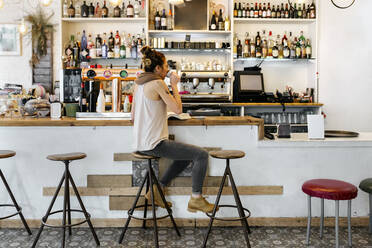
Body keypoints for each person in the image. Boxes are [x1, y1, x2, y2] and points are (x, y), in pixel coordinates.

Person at [131, 46, 217, 213]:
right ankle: (196, 199)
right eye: (165, 67)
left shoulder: (138, 83)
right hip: (154, 143)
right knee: (201, 155)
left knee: (185, 156)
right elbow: (178, 109)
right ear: (157, 68)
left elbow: (133, 116)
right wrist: (174, 85)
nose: (167, 70)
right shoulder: (157, 83)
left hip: (141, 142)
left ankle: (157, 190)